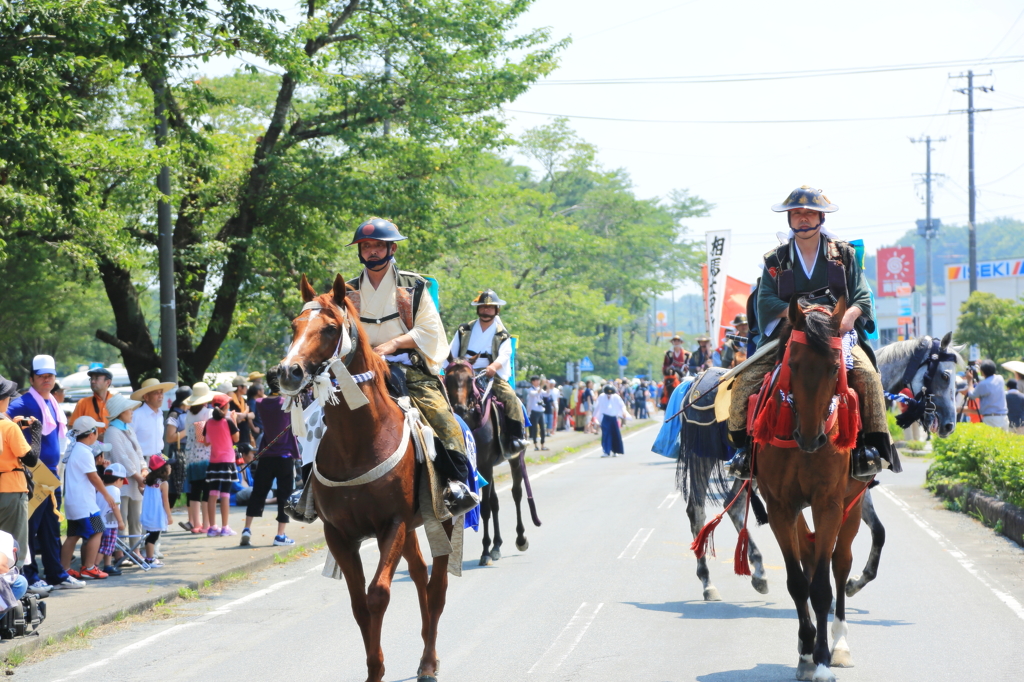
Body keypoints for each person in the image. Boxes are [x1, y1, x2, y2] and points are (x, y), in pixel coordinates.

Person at [725, 186, 897, 481]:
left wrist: (849, 316)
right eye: (796, 213)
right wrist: (802, 313)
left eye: (808, 213)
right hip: (789, 333)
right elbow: (765, 301)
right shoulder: (775, 260)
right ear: (789, 219)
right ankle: (743, 452)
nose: (802, 219)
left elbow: (862, 297)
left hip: (836, 333)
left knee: (868, 376)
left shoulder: (843, 254)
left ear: (820, 217)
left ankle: (869, 449)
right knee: (743, 382)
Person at [346, 217, 478, 515]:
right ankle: (307, 488)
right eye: (366, 246)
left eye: (378, 246)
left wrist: (393, 344)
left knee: (442, 417)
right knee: (317, 416)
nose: (372, 252)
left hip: (408, 369)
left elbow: (430, 331)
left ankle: (456, 484)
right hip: (361, 371)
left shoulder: (415, 285)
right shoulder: (348, 289)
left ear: (392, 248)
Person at [7, 355, 73, 592]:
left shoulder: (51, 401)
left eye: (51, 375)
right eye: (42, 376)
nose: (47, 379)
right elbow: (5, 415)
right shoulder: (24, 402)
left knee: (52, 526)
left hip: (51, 473)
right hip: (34, 473)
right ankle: (32, 576)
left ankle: (56, 573)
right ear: (32, 378)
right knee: (31, 527)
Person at [447, 289, 529, 453]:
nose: (486, 311)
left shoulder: (502, 334)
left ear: (496, 310)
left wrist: (493, 367)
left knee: (511, 398)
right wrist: (445, 369)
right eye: (483, 307)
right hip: (464, 371)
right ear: (478, 309)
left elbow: (505, 354)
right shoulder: (464, 329)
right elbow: (451, 351)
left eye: (490, 308)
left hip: (490, 373)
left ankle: (516, 437)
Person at [62, 416, 125, 581]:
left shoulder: (76, 449)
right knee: (98, 530)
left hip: (73, 502)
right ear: (92, 433)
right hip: (84, 503)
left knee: (73, 535)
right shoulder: (84, 452)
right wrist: (107, 495)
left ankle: (64, 568)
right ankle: (89, 567)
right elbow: (94, 478)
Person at [241, 371, 297, 548]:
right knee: (284, 496)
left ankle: (246, 530)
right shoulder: (288, 401)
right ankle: (280, 535)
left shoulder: (260, 403)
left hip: (266, 453)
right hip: (284, 455)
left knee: (258, 492)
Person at [0, 375, 36, 573]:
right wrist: (35, 434)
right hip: (11, 490)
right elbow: (30, 459)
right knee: (12, 545)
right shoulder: (8, 427)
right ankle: (13, 590)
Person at [102, 393, 146, 545]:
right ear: (121, 413)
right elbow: (121, 458)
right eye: (129, 409)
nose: (132, 412)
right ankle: (120, 552)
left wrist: (144, 469)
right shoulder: (112, 432)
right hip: (121, 483)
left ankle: (136, 551)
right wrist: (140, 477)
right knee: (121, 517)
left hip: (135, 480)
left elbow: (138, 452)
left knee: (136, 518)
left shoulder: (129, 429)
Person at [204, 393, 239, 537]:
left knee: (212, 493)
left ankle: (212, 527)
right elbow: (236, 438)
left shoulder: (208, 423)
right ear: (225, 407)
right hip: (227, 461)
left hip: (214, 461)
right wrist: (235, 421)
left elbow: (206, 441)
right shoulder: (229, 421)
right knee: (225, 494)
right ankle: (225, 527)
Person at [183, 383, 215, 534]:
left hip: (190, 456)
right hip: (205, 456)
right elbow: (203, 437)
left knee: (195, 490)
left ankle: (196, 524)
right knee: (206, 490)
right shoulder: (207, 413)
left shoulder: (189, 414)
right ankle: (206, 524)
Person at [140, 455, 172, 567]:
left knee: (150, 536)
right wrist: (169, 516)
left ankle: (149, 558)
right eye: (168, 466)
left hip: (148, 513)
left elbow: (143, 492)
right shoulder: (163, 484)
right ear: (163, 469)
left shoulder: (148, 482)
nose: (170, 468)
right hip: (156, 514)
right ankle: (149, 559)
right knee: (153, 538)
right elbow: (166, 501)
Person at [96, 462, 127, 576]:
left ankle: (107, 566)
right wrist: (120, 521)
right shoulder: (115, 490)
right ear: (118, 480)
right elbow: (115, 507)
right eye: (123, 481)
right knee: (106, 546)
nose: (122, 484)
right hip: (110, 524)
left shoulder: (102, 489)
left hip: (100, 522)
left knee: (107, 545)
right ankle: (95, 566)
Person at [69, 366, 115, 437]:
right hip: (90, 446)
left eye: (96, 378)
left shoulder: (116, 402)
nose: (93, 381)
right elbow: (72, 428)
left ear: (108, 382)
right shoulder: (83, 403)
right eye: (91, 379)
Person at [964, 360, 1009, 431]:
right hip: (1003, 417)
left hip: (990, 418)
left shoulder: (983, 384)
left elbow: (971, 396)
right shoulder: (1000, 379)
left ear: (982, 372)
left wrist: (970, 381)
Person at [593, 385, 630, 457]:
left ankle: (615, 451)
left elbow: (622, 405)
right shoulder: (601, 397)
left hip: (613, 418)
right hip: (605, 417)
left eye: (610, 394)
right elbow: (597, 406)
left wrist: (624, 412)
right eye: (608, 394)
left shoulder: (616, 397)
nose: (609, 395)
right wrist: (594, 416)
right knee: (606, 435)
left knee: (615, 434)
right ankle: (606, 451)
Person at [228, 376, 256, 460]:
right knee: (238, 458)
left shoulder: (243, 400)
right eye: (245, 386)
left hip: (245, 433)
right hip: (236, 434)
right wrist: (245, 413)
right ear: (239, 387)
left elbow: (252, 415)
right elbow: (235, 418)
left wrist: (243, 415)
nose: (247, 388)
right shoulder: (230, 401)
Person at [525, 376, 547, 451]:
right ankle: (535, 445)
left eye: (538, 380)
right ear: (533, 382)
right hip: (534, 411)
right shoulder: (530, 390)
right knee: (534, 429)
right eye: (536, 380)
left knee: (543, 429)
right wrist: (542, 386)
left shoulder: (539, 389)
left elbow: (547, 394)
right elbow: (535, 394)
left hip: (541, 410)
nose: (538, 382)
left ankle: (543, 445)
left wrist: (548, 385)